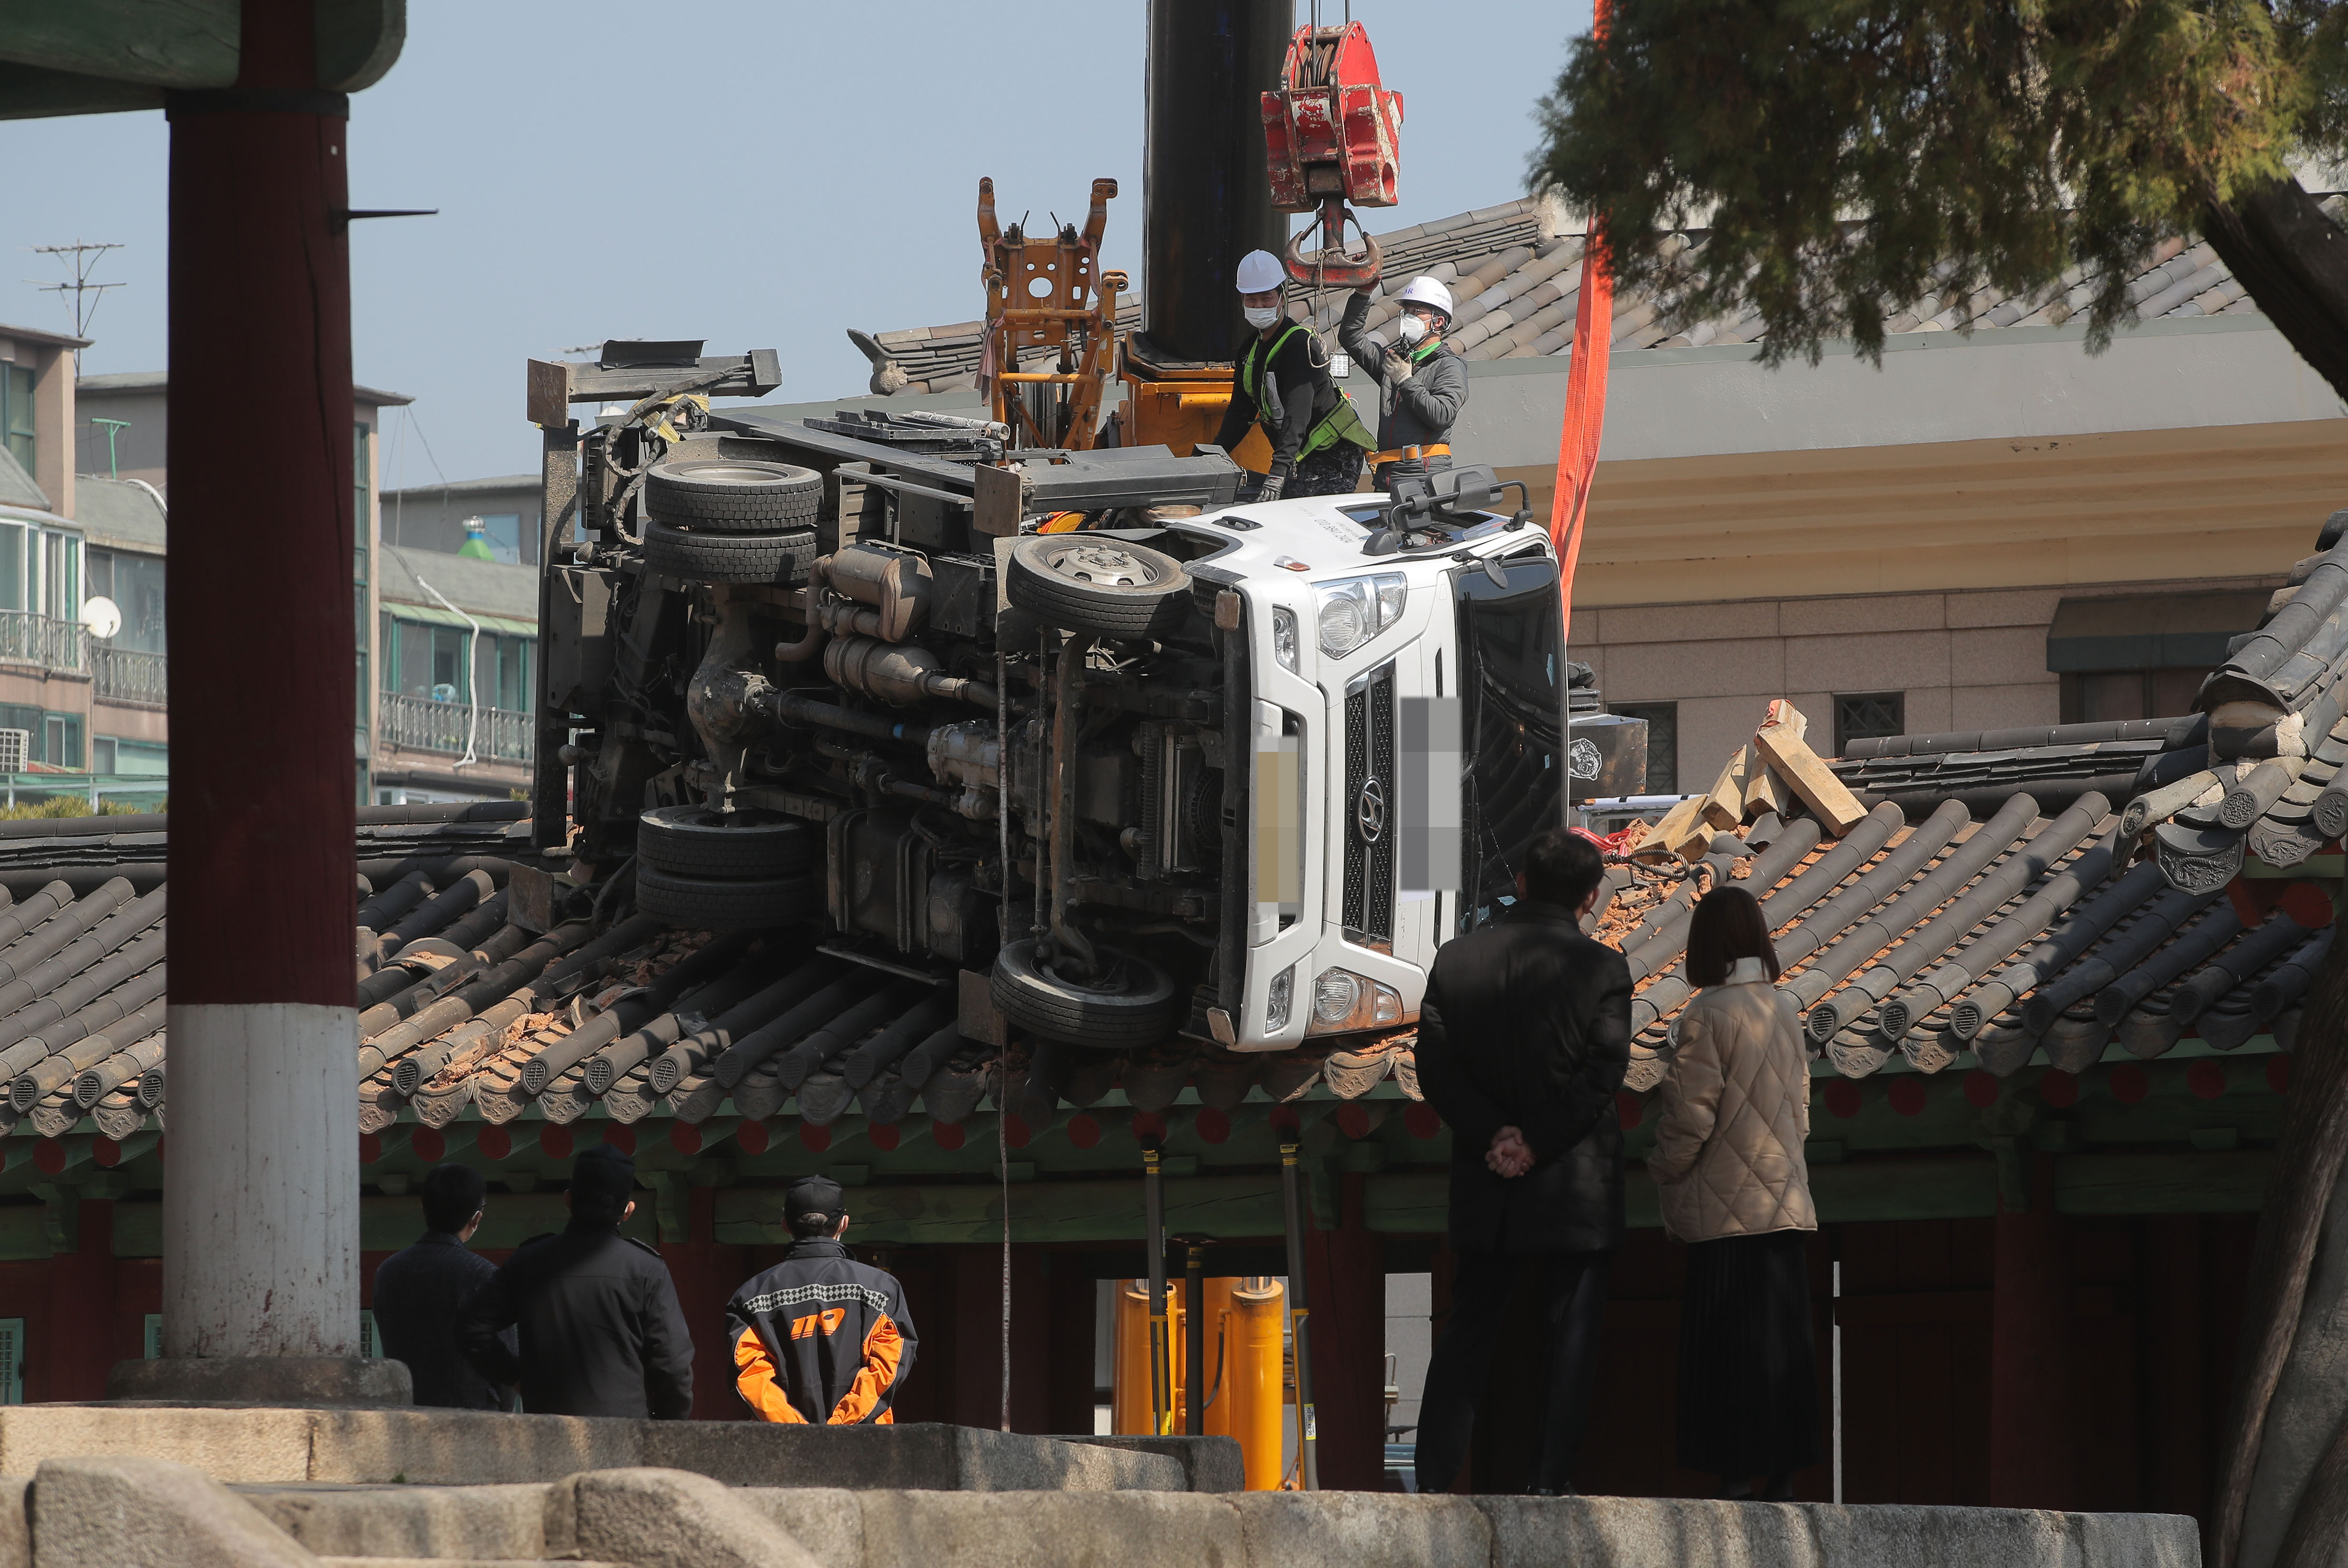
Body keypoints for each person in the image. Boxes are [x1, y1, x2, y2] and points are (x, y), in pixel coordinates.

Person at [1410, 826, 1632, 1496]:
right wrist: (1534, 1139)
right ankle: (1548, 1481)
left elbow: (1435, 1067)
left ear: (1522, 882)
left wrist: (1496, 1135)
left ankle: (1433, 1475)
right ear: (1590, 896)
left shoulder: (1456, 960)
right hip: (1573, 1182)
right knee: (1569, 1335)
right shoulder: (1603, 969)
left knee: (1468, 1328)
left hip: (1486, 1178)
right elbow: (1601, 1076)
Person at [1648, 885, 1822, 1501]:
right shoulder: (1783, 1008)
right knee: (1780, 1341)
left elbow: (1689, 1118)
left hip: (1723, 1214)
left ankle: (1734, 1473)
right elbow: (1800, 1112)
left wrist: (1660, 1167)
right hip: (1783, 1203)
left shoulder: (1705, 1015)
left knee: (1726, 1346)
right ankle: (1783, 1470)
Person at [454, 1144, 694, 1420]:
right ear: (628, 1211)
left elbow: (470, 1326)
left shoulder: (529, 1261)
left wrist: (517, 1377)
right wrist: (666, 1427)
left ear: (568, 1200)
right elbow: (673, 1366)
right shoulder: (648, 1270)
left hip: (548, 1428)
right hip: (626, 1430)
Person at [725, 1176, 918, 1425]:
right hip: (866, 1440)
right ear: (844, 1224)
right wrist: (840, 1425)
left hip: (782, 1444)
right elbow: (888, 1367)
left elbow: (750, 1376)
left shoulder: (750, 1297)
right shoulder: (882, 1290)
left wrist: (798, 1432)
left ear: (785, 1225)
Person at [1213, 248, 1374, 502]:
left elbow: (1297, 415)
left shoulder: (1300, 345)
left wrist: (1277, 473)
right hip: (1300, 455)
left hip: (1333, 456)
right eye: (1251, 300)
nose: (1259, 306)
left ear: (1282, 298)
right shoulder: (1249, 350)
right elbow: (1239, 414)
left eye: (1266, 299)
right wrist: (1212, 458)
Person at [371, 1163, 512, 1410]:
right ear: (476, 1218)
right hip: (474, 1412)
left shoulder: (388, 1271)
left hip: (404, 1410)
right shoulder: (483, 1274)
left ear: (424, 1209)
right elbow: (504, 1361)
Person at [1338, 273, 1470, 495]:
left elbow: (1441, 415)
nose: (1408, 317)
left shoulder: (1449, 365)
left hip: (1424, 481)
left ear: (1438, 322)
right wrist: (1362, 294)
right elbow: (1351, 337)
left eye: (1416, 311)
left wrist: (1405, 381)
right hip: (1387, 478)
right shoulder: (1395, 361)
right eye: (1406, 311)